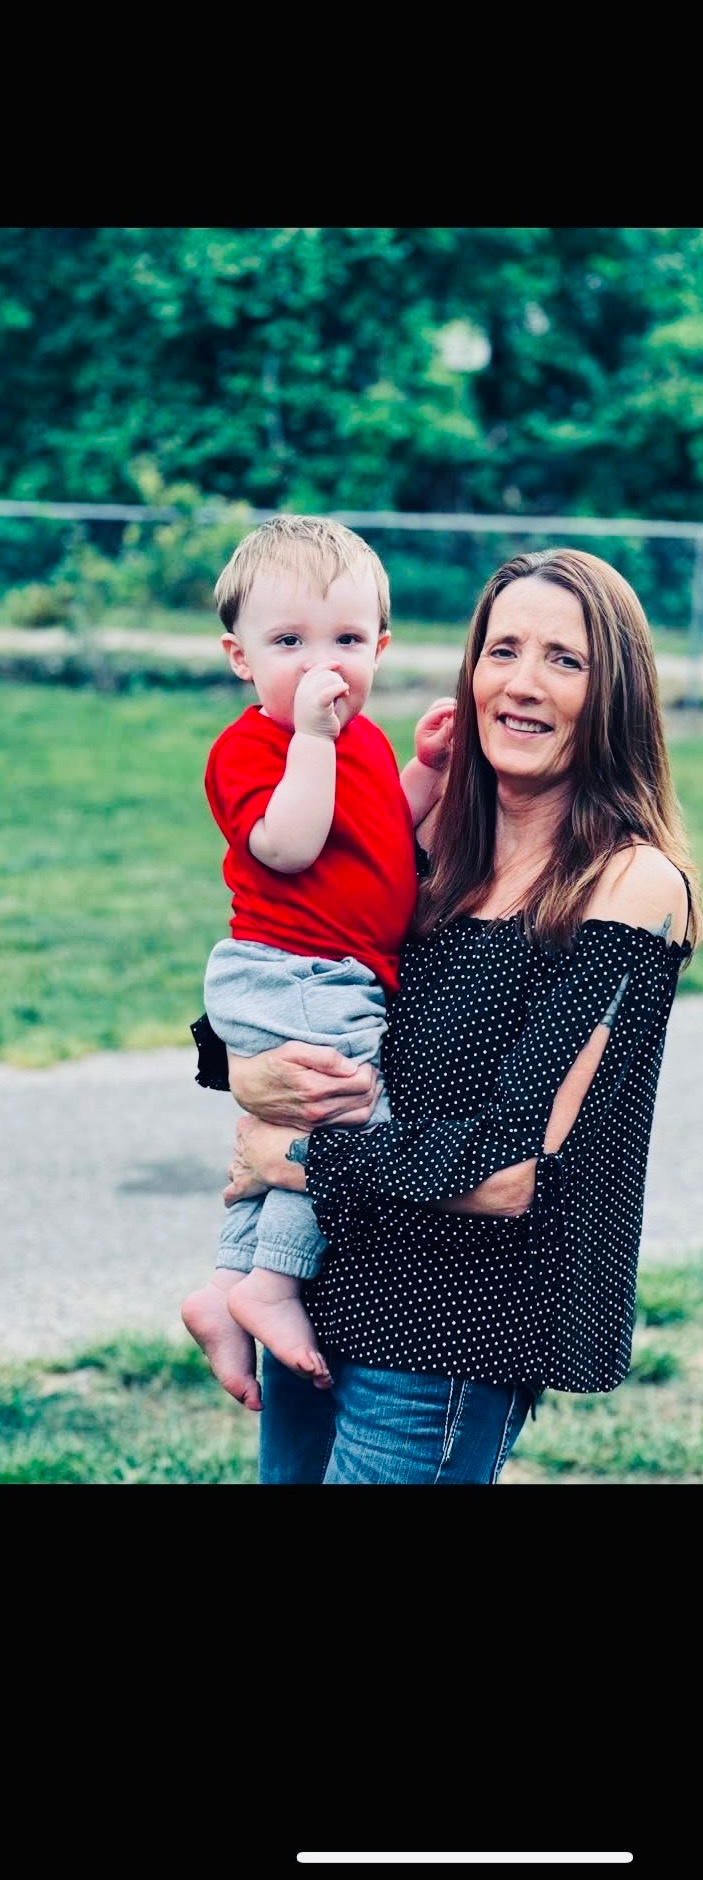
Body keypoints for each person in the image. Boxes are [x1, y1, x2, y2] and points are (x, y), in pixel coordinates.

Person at [205, 546, 701, 1484]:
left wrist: (290, 1155)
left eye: (564, 659)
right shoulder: (436, 840)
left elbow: (512, 1170)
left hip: (444, 1334)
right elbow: (303, 979)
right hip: (321, 1290)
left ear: (616, 694)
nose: (521, 684)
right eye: (501, 650)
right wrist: (240, 1071)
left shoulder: (630, 886)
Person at [181, 515, 455, 1411]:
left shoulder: (361, 740)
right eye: (289, 642)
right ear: (240, 658)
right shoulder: (250, 749)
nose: (320, 665)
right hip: (290, 968)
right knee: (346, 1121)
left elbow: (376, 834)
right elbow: (290, 843)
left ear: (380, 647)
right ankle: (275, 1284)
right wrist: (307, 740)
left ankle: (227, 1287)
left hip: (327, 973)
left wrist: (426, 772)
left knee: (300, 1125)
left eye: (345, 640)